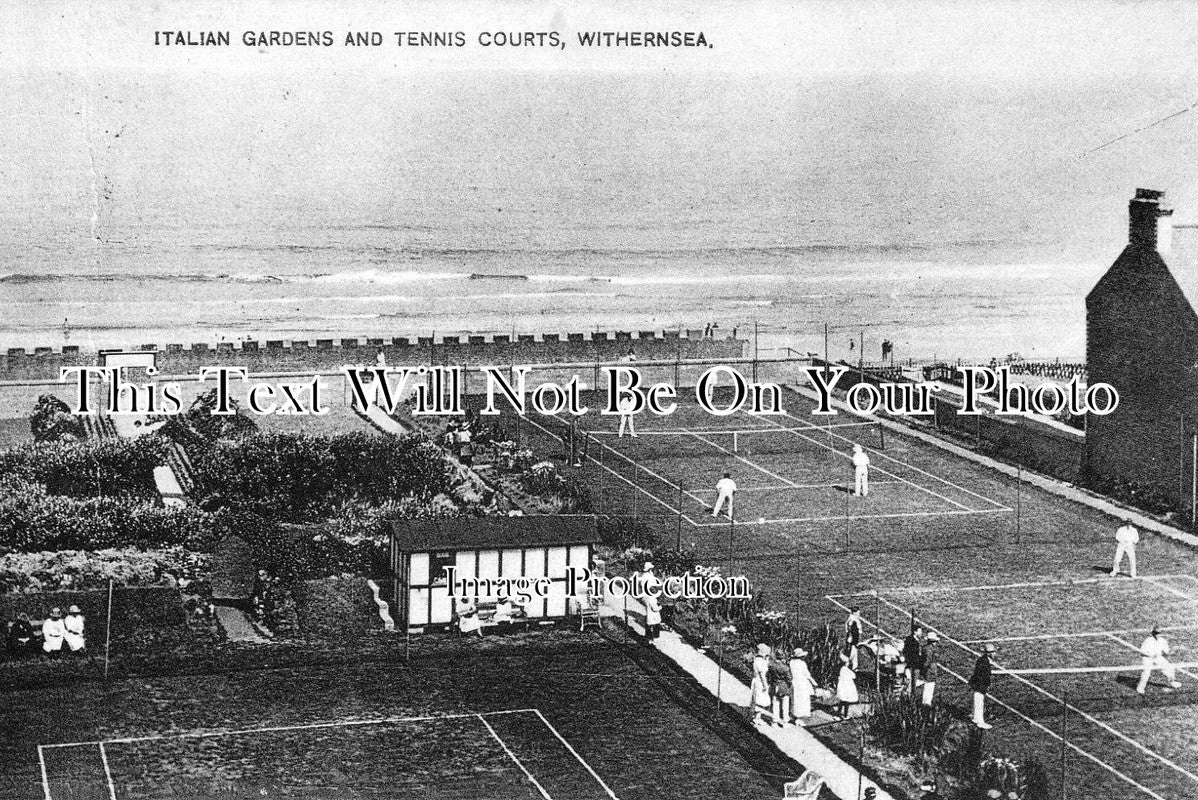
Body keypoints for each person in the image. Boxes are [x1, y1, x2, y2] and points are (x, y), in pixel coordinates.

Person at [1136, 626, 1181, 694]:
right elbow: (1142, 652)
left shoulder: (1163, 641)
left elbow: (1166, 653)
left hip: (1158, 657)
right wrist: (1149, 655)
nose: (1157, 634)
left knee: (1170, 669)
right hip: (1147, 658)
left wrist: (1173, 651)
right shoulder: (1148, 640)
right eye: (1156, 633)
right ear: (1153, 633)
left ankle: (1172, 682)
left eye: (1159, 633)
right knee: (1146, 672)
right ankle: (1140, 687)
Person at [970, 643, 997, 729]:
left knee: (977, 702)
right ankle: (980, 722)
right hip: (980, 685)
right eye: (993, 652)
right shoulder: (984, 662)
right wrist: (983, 686)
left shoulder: (983, 660)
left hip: (978, 685)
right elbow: (982, 676)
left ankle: (975, 718)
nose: (994, 654)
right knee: (979, 703)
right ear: (989, 653)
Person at [789, 647, 817, 723]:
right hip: (802, 683)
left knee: (796, 699)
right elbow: (807, 675)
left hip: (795, 682)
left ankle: (795, 715)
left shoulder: (791, 662)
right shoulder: (802, 663)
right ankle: (800, 718)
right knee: (803, 700)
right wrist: (814, 683)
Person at [769, 647, 793, 727]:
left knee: (775, 703)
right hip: (783, 686)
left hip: (774, 685)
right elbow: (789, 678)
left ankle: (774, 722)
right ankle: (785, 722)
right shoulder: (785, 667)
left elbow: (768, 675)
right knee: (785, 704)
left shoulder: (771, 666)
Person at [751, 643, 772, 725]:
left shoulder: (758, 660)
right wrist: (765, 685)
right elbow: (762, 674)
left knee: (758, 698)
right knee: (759, 699)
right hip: (760, 682)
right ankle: (757, 718)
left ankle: (757, 717)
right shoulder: (759, 661)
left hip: (758, 681)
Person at [836, 646, 859, 718]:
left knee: (842, 701)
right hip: (847, 688)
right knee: (846, 702)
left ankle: (839, 713)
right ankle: (845, 715)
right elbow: (854, 676)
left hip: (843, 688)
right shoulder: (848, 670)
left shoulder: (842, 669)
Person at [903, 625, 925, 695]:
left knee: (913, 681)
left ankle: (910, 694)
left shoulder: (915, 639)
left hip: (915, 664)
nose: (921, 633)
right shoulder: (910, 640)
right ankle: (909, 695)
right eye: (920, 631)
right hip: (913, 664)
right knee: (912, 681)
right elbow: (908, 652)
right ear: (915, 632)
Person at [920, 632, 940, 706]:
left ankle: (926, 703)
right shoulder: (929, 649)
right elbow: (927, 662)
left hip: (931, 670)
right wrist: (923, 671)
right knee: (929, 687)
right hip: (930, 671)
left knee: (929, 687)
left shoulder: (927, 648)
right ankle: (926, 703)